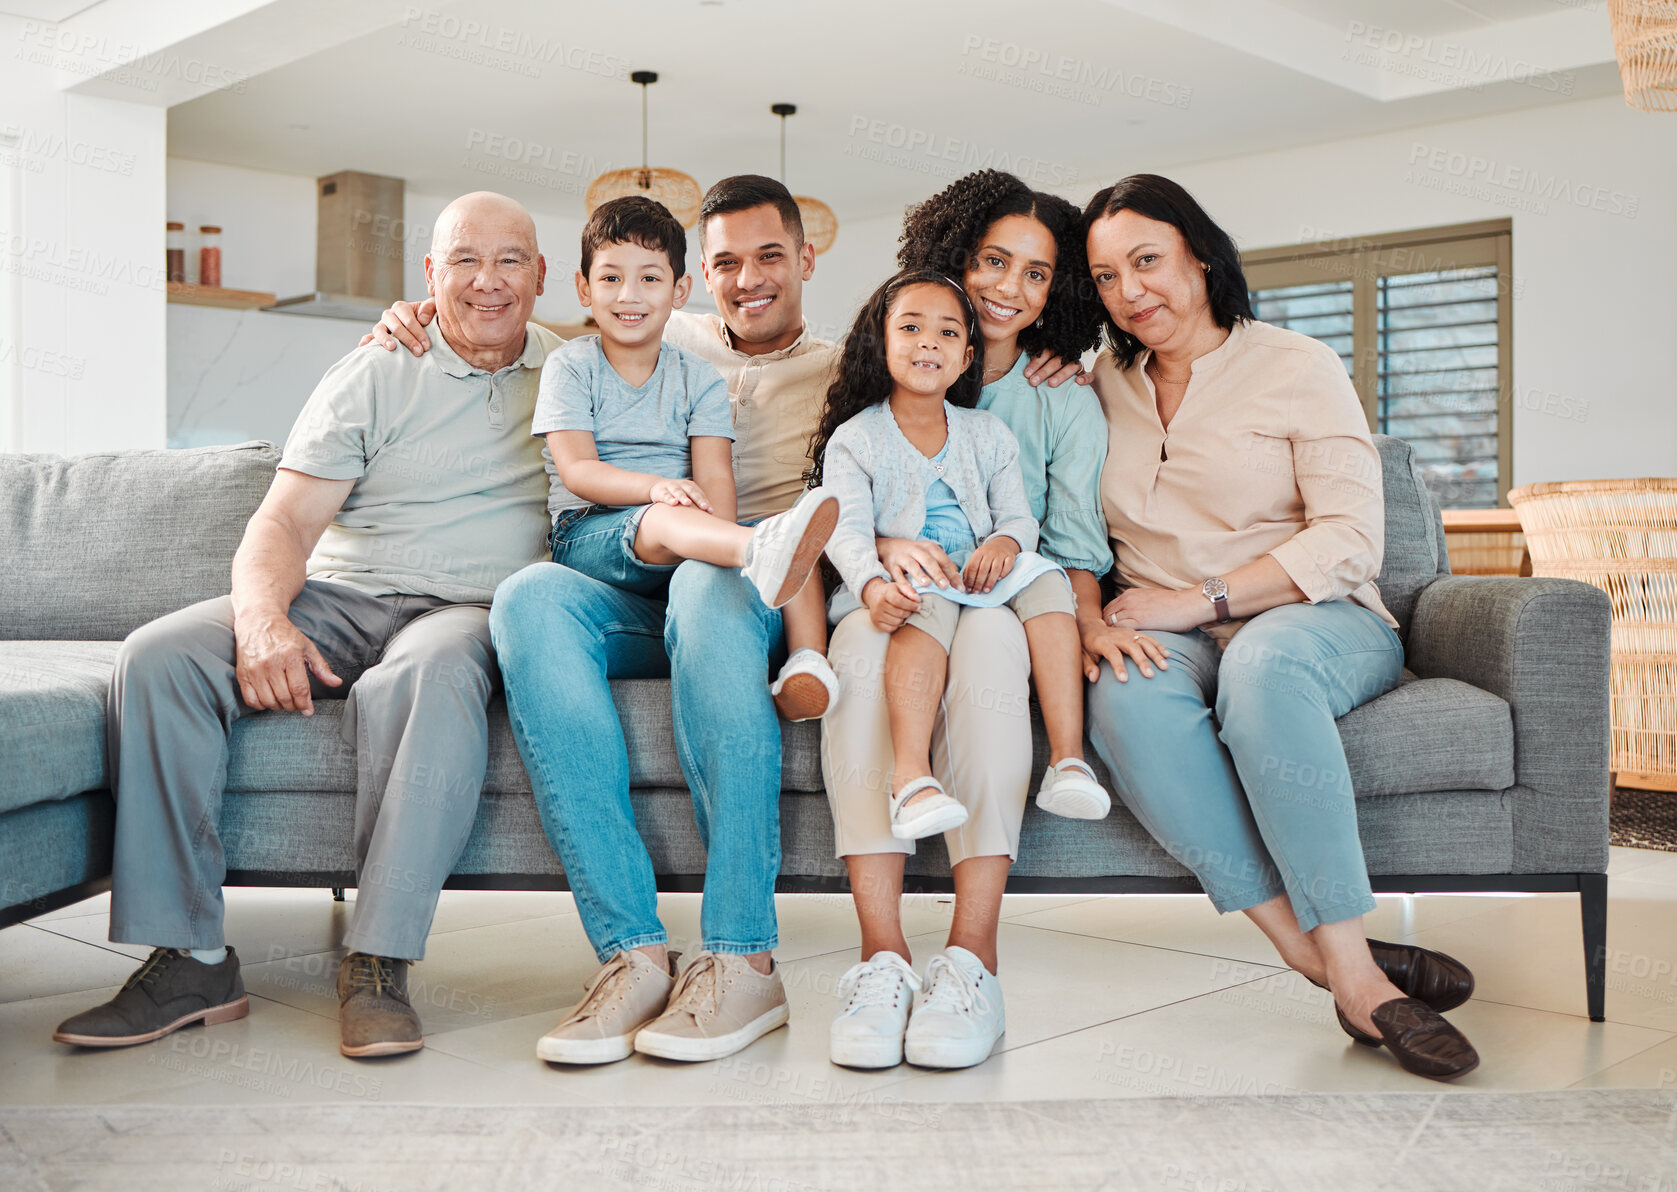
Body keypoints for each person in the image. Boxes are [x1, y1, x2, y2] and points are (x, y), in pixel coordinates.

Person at [53, 192, 560, 1059]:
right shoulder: (373, 370)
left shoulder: (576, 370)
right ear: (429, 275)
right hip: (344, 593)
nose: (487, 281)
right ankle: (193, 958)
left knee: (426, 675)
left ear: (543, 276)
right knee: (158, 657)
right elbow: (283, 525)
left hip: (467, 607)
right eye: (463, 261)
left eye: (510, 260)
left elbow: (681, 331)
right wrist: (261, 623)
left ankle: (377, 961)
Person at [1076, 173, 1478, 1081]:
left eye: (1147, 262)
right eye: (1104, 277)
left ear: (1201, 257)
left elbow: (1349, 536)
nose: (1129, 292)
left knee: (1261, 673)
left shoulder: (1297, 365)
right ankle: (1323, 962)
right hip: (1163, 628)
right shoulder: (1100, 383)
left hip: (1310, 614)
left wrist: (1198, 600)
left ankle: (1353, 974)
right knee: (1124, 694)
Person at [819, 172, 1141, 1072]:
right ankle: (881, 960)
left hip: (1001, 594)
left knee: (996, 650)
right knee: (859, 652)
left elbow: (1066, 539)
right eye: (993, 262)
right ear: (952, 260)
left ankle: (971, 962)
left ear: (1058, 292)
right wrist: (883, 547)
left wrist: (1078, 618)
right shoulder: (881, 386)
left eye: (1037, 274)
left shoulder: (1059, 395)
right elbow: (839, 502)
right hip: (898, 590)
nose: (1009, 288)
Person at [812, 268, 1098, 847]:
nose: (927, 343)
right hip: (920, 571)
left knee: (1049, 586)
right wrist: (871, 586)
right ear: (881, 342)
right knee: (926, 600)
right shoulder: (855, 438)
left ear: (967, 357)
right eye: (911, 328)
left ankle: (1068, 761)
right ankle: (912, 777)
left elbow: (1019, 515)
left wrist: (1005, 543)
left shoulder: (987, 432)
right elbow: (844, 530)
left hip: (986, 566)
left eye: (946, 334)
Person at [535, 195, 837, 660]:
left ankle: (809, 661)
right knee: (684, 521)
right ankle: (760, 549)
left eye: (649, 279)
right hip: (589, 530)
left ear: (679, 292)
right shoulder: (571, 365)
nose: (628, 295)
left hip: (678, 537)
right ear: (584, 288)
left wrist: (718, 534)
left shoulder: (699, 377)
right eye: (610, 278)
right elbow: (577, 471)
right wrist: (658, 489)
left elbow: (715, 474)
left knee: (790, 536)